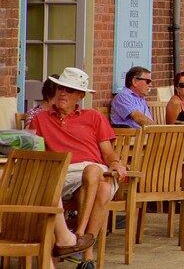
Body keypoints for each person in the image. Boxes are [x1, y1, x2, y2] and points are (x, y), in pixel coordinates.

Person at [28, 67, 129, 267]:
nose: (63, 93)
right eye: (60, 88)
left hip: (93, 170)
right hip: (62, 174)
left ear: (81, 96)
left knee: (95, 175)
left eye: (69, 90)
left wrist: (116, 163)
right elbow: (33, 150)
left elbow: (107, 152)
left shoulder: (93, 117)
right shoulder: (41, 119)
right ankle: (85, 249)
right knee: (102, 187)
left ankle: (81, 236)